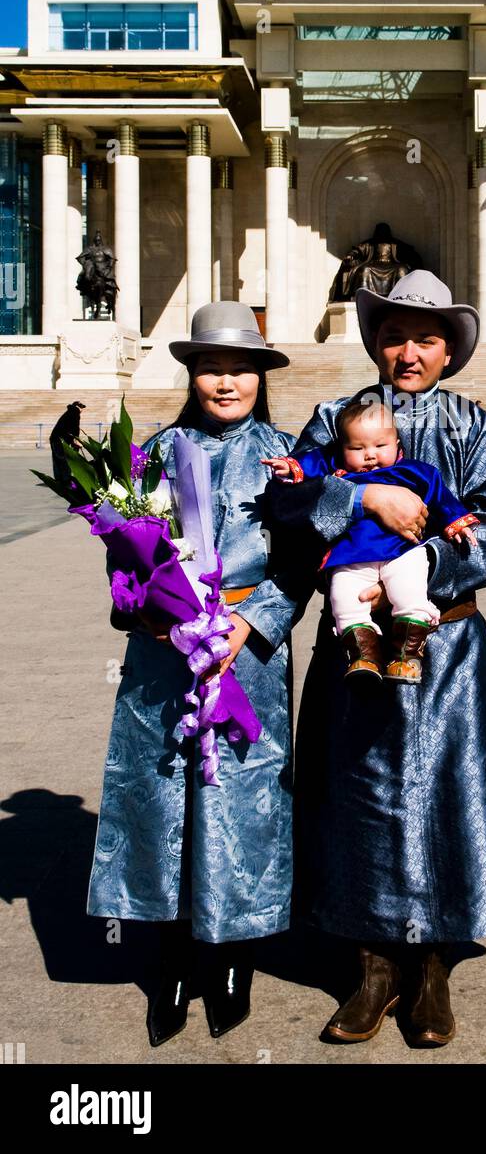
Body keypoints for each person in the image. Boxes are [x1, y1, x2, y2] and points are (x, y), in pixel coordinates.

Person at [265, 270, 486, 1048]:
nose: (408, 351)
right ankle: (372, 964)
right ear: (375, 342)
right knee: (360, 794)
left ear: (449, 349)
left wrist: (418, 566)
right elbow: (288, 511)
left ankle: (428, 963)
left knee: (440, 796)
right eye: (394, 335)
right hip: (354, 642)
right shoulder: (334, 417)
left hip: (446, 644)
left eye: (425, 338)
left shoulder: (472, 425)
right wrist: (361, 500)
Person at [86, 302, 296, 1048]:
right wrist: (139, 609)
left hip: (247, 654)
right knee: (163, 793)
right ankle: (171, 957)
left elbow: (304, 563)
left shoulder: (287, 454)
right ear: (192, 373)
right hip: (163, 654)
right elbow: (121, 554)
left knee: (243, 798)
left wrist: (254, 619)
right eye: (212, 367)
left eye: (240, 368)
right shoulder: (153, 454)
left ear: (260, 376)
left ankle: (233, 954)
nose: (226, 381)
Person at [262, 396, 478, 683]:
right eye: (357, 448)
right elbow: (312, 463)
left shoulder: (412, 471)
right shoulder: (339, 468)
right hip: (351, 555)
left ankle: (407, 656)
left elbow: (440, 495)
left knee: (409, 593)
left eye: (380, 446)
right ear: (342, 450)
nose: (370, 455)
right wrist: (292, 467)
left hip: (402, 550)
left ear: (398, 446)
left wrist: (456, 522)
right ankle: (364, 656)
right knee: (344, 601)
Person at [49, 400, 86, 486]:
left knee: (57, 459)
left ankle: (59, 480)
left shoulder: (69, 412)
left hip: (55, 438)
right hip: (59, 440)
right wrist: (76, 441)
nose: (82, 410)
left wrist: (73, 442)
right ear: (77, 407)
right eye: (81, 407)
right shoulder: (75, 413)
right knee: (64, 460)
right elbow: (75, 429)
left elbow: (68, 428)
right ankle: (67, 480)